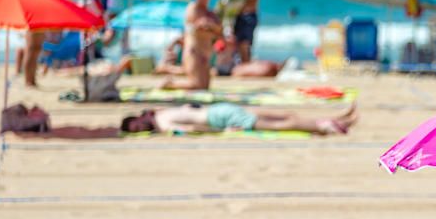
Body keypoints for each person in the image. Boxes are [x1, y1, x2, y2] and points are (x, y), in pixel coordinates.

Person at [120, 102, 358, 135]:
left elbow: (192, 128)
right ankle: (335, 118)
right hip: (219, 108)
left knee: (283, 124)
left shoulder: (161, 122)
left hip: (219, 117)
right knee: (284, 115)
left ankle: (328, 124)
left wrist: (222, 132)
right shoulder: (160, 112)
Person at [162, 0, 223, 90]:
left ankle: (172, 82)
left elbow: (219, 30)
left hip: (206, 53)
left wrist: (210, 26)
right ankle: (170, 84)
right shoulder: (193, 8)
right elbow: (197, 26)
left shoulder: (210, 13)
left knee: (204, 86)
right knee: (196, 85)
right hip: (194, 52)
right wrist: (211, 27)